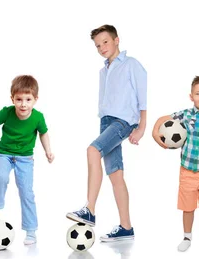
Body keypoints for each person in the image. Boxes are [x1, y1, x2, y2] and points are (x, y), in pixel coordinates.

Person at [66, 24, 147, 242]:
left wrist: (141, 126)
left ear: (116, 40)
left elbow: (142, 95)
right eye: (97, 45)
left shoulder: (131, 64)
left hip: (123, 122)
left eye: (105, 42)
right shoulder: (104, 71)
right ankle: (126, 228)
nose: (102, 47)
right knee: (116, 175)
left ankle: (89, 209)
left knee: (93, 150)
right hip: (106, 122)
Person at [0, 75, 54, 245]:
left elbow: (43, 133)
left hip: (25, 159)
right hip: (4, 154)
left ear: (35, 100)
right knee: (1, 178)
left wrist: (48, 151)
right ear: (12, 99)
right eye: (19, 99)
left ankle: (31, 231)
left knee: (26, 192)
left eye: (28, 99)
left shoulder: (38, 117)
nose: (23, 104)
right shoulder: (7, 112)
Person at [152, 76, 199, 253]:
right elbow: (163, 118)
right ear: (191, 96)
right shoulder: (185, 115)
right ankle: (187, 237)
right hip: (187, 172)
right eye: (198, 93)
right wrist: (155, 132)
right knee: (188, 207)